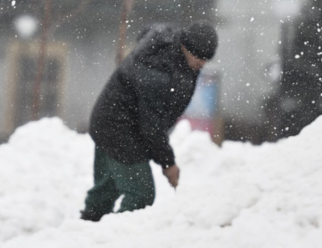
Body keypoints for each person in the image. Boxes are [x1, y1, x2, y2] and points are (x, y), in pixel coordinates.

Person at [80, 21, 218, 221]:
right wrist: (168, 163)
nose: (202, 63)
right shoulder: (157, 72)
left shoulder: (173, 47)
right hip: (118, 129)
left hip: (111, 120)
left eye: (207, 58)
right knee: (141, 194)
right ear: (185, 47)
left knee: (107, 188)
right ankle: (113, 237)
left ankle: (85, 232)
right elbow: (152, 126)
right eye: (198, 56)